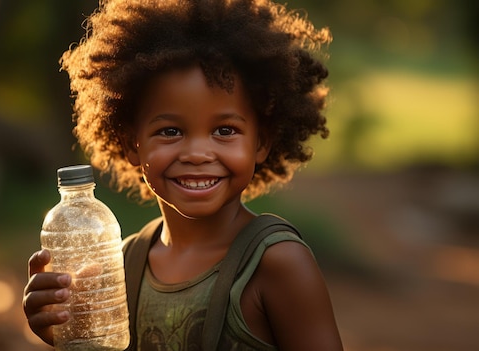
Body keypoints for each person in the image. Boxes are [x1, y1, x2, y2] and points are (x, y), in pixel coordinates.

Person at [23, 0, 343, 350]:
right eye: (170, 131)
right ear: (132, 145)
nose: (196, 154)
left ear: (261, 143)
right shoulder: (124, 265)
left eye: (224, 130)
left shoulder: (277, 263)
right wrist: (73, 336)